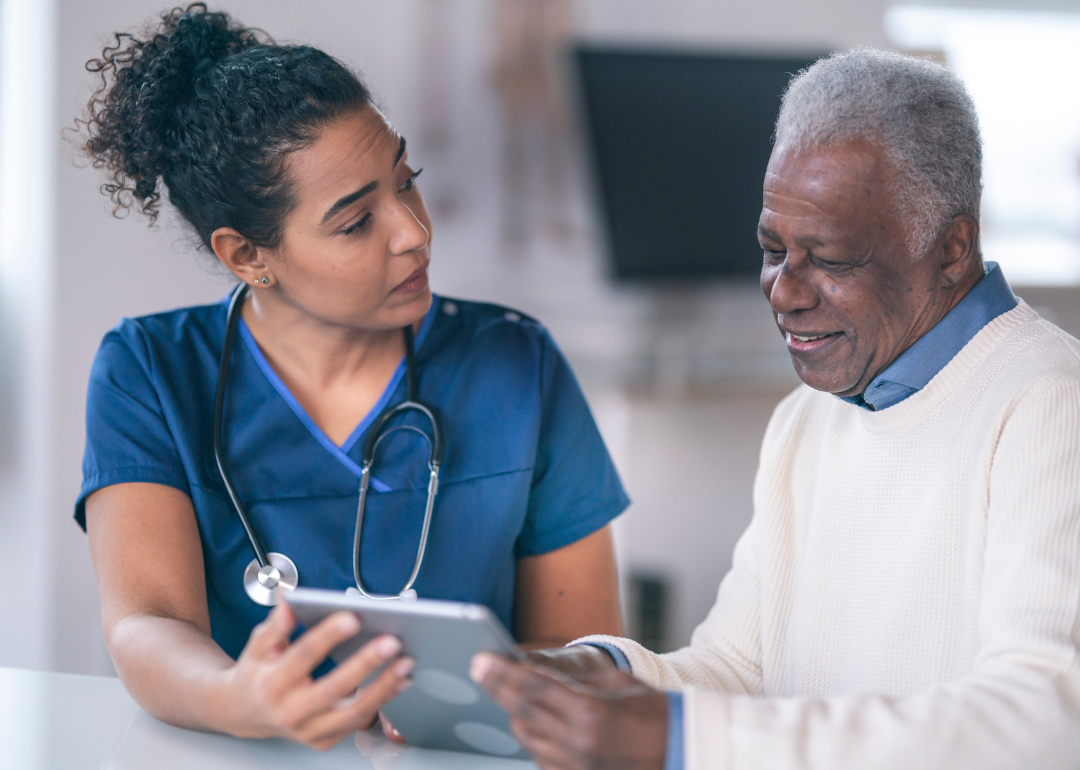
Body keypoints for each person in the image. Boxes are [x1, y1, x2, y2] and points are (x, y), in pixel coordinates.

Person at [470, 48, 1080, 769]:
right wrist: (601, 676)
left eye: (831, 257)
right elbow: (740, 671)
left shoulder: (1049, 404)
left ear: (951, 251)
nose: (784, 291)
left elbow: (1043, 722)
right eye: (771, 248)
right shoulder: (807, 419)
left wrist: (676, 739)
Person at [75, 3, 627, 750]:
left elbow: (589, 649)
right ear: (246, 256)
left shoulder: (516, 364)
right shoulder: (149, 371)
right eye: (355, 222)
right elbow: (147, 624)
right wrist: (238, 698)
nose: (414, 232)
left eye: (407, 182)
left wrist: (460, 696)